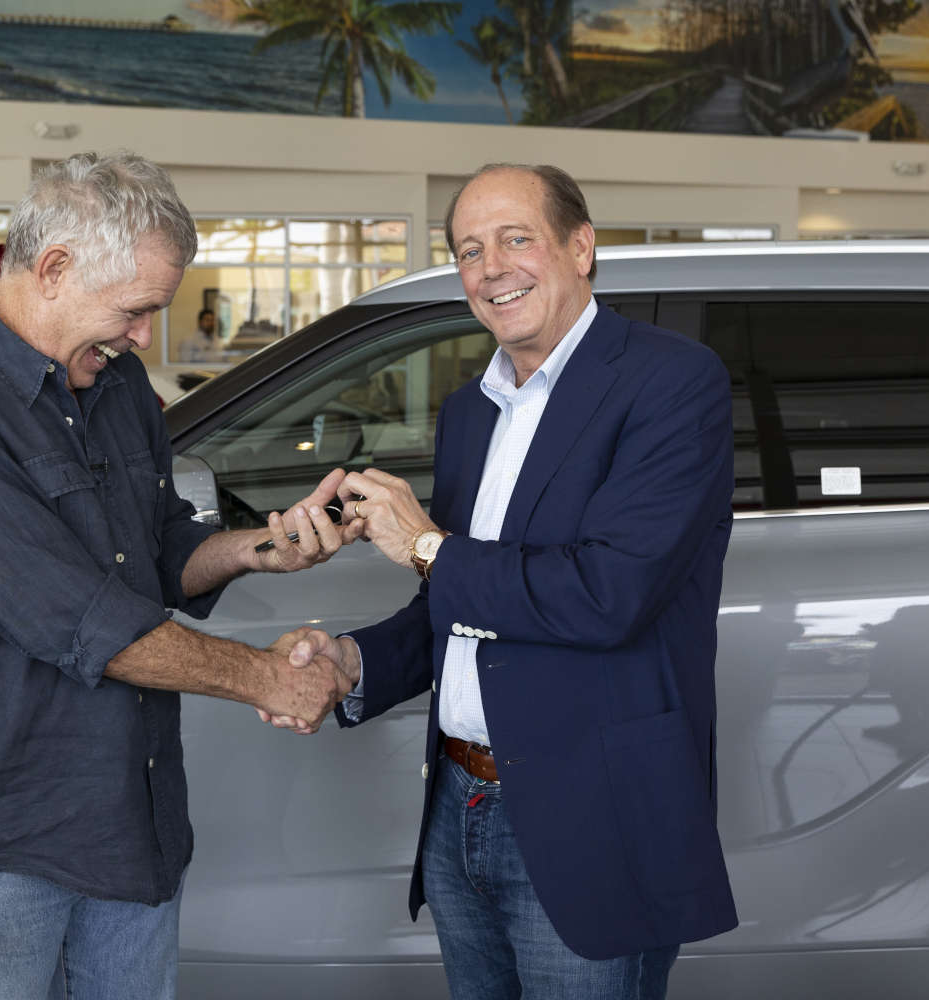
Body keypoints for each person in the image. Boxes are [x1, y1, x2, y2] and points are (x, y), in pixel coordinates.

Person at [0, 151, 358, 1000]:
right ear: (53, 269)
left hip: (130, 818)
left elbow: (150, 556)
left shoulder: (115, 386)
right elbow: (74, 617)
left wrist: (260, 549)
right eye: (135, 310)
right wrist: (265, 676)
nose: (143, 338)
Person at [270, 163, 738, 998]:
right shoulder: (470, 411)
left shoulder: (670, 382)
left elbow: (608, 597)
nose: (491, 268)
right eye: (468, 250)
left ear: (582, 247)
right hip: (459, 804)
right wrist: (349, 662)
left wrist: (424, 545)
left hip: (591, 815)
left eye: (517, 238)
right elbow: (456, 605)